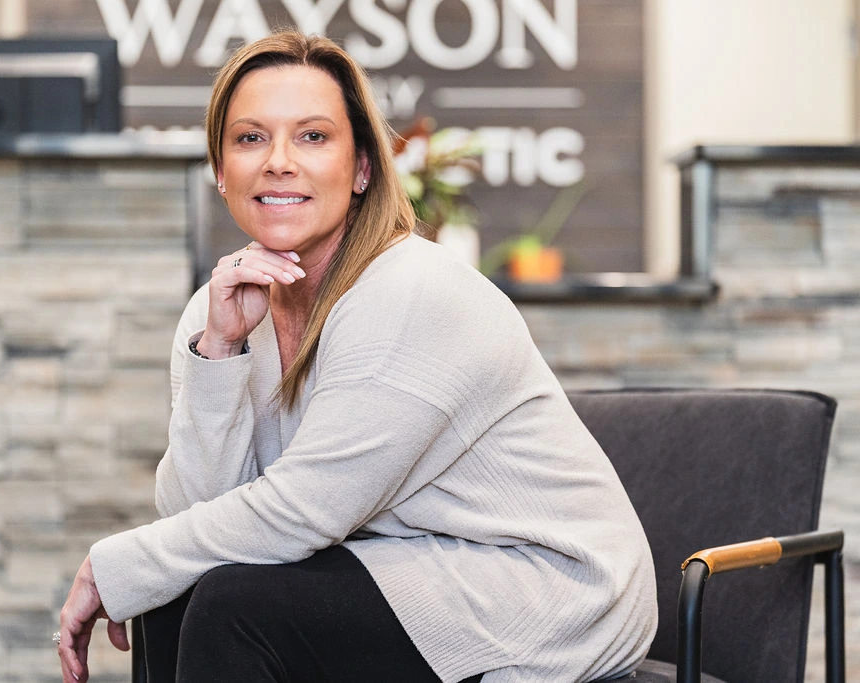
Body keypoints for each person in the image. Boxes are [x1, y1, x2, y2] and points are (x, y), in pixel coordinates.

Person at [57, 30, 657, 683]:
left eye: (312, 136)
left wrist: (112, 565)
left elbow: (303, 510)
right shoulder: (221, 306)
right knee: (177, 592)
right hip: (407, 561)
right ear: (222, 170)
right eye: (250, 137)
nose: (279, 161)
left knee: (231, 607)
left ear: (363, 168)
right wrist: (221, 350)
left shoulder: (409, 292)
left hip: (546, 585)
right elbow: (195, 518)